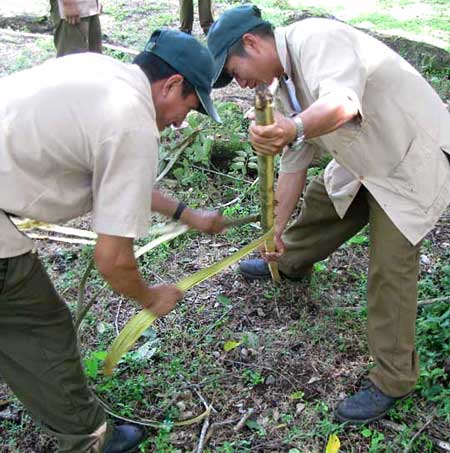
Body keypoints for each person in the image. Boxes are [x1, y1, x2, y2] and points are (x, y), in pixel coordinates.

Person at [207, 4, 450, 424]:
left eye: (234, 70)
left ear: (251, 42)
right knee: (324, 202)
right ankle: (290, 261)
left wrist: (293, 127)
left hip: (410, 159)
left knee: (390, 272)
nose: (239, 82)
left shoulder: (316, 39)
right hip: (368, 159)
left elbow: (343, 103)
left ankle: (393, 379)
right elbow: (294, 162)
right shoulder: (281, 82)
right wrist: (274, 229)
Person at [0, 29, 223, 452]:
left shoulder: (100, 71)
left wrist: (188, 215)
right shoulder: (132, 121)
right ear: (172, 84)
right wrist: (150, 297)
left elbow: (114, 176)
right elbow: (113, 259)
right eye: (187, 108)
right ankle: (88, 438)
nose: (180, 121)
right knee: (39, 326)